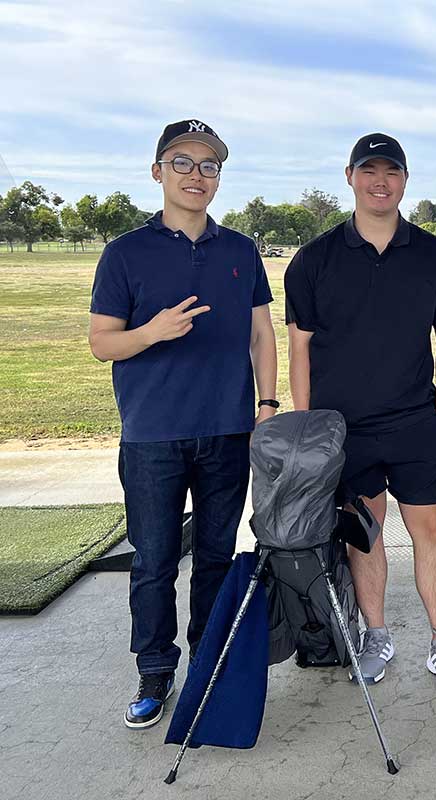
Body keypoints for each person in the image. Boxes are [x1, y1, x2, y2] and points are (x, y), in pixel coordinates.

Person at [89, 119, 278, 728]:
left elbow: (261, 333)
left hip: (227, 430)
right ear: (158, 172)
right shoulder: (125, 253)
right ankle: (154, 670)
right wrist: (153, 332)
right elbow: (101, 343)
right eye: (183, 162)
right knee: (155, 560)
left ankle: (208, 661)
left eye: (209, 166)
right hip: (152, 434)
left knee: (219, 556)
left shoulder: (240, 250)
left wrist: (267, 405)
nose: (197, 175)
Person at [285, 133, 436, 694]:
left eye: (390, 172)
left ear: (404, 181)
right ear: (349, 178)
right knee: (363, 536)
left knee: (431, 531)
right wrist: (310, 426)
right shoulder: (315, 259)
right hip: (343, 430)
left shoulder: (435, 256)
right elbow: (300, 347)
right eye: (368, 171)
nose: (379, 182)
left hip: (417, 423)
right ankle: (376, 636)